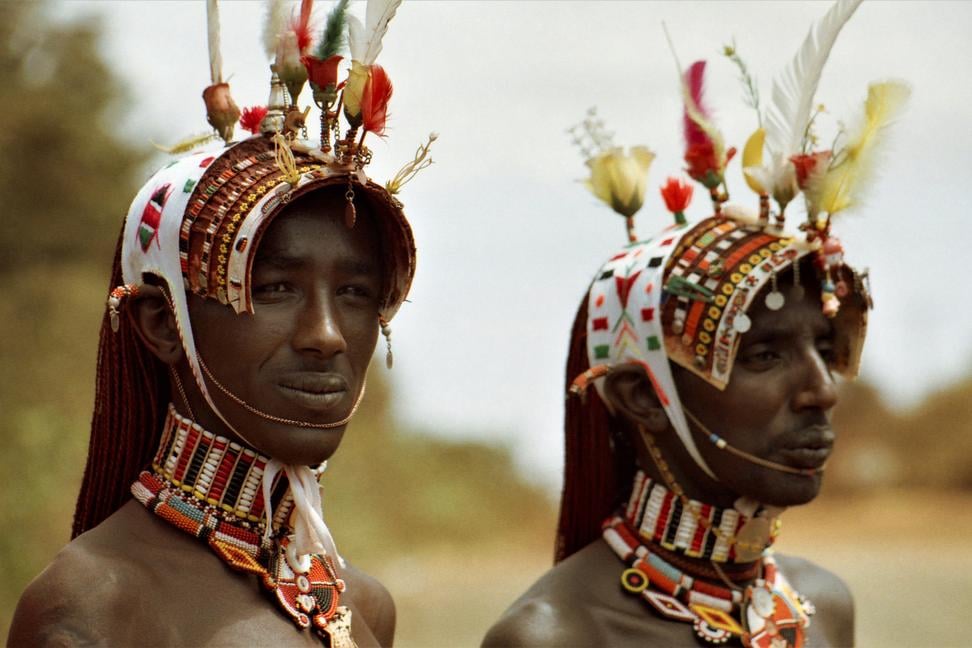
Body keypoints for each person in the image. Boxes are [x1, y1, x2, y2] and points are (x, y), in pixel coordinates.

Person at [8, 1, 432, 645]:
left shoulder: (362, 605)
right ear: (162, 322)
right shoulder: (94, 613)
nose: (327, 334)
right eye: (275, 288)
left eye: (355, 291)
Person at [484, 1, 905, 645]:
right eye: (763, 353)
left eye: (825, 346)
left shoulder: (822, 609)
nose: (822, 389)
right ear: (641, 396)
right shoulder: (557, 637)